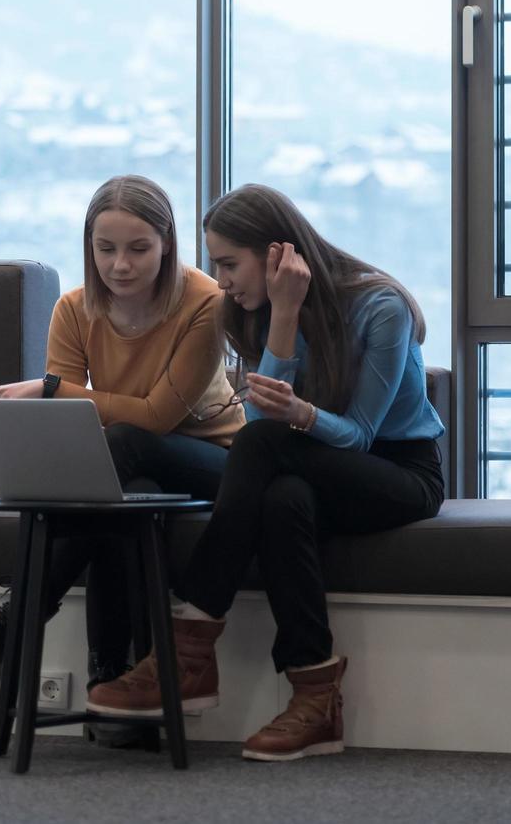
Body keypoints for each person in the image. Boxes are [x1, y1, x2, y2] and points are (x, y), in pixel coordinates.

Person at [86, 183, 446, 763]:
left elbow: (357, 436)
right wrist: (283, 315)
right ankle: (315, 698)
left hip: (396, 472)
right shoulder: (252, 313)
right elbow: (257, 426)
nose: (221, 280)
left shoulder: (381, 307)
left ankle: (190, 642)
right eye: (215, 265)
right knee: (275, 498)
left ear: (277, 253)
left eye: (230, 264)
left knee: (271, 465)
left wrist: (303, 413)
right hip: (290, 462)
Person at [0, 174, 245, 696]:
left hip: (215, 459)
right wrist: (57, 394)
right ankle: (112, 681)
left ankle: (17, 618)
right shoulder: (74, 308)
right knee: (128, 501)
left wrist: (51, 387)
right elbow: (69, 424)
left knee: (123, 445)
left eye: (138, 249)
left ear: (167, 244)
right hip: (134, 466)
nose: (120, 265)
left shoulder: (205, 303)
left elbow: (155, 418)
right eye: (105, 249)